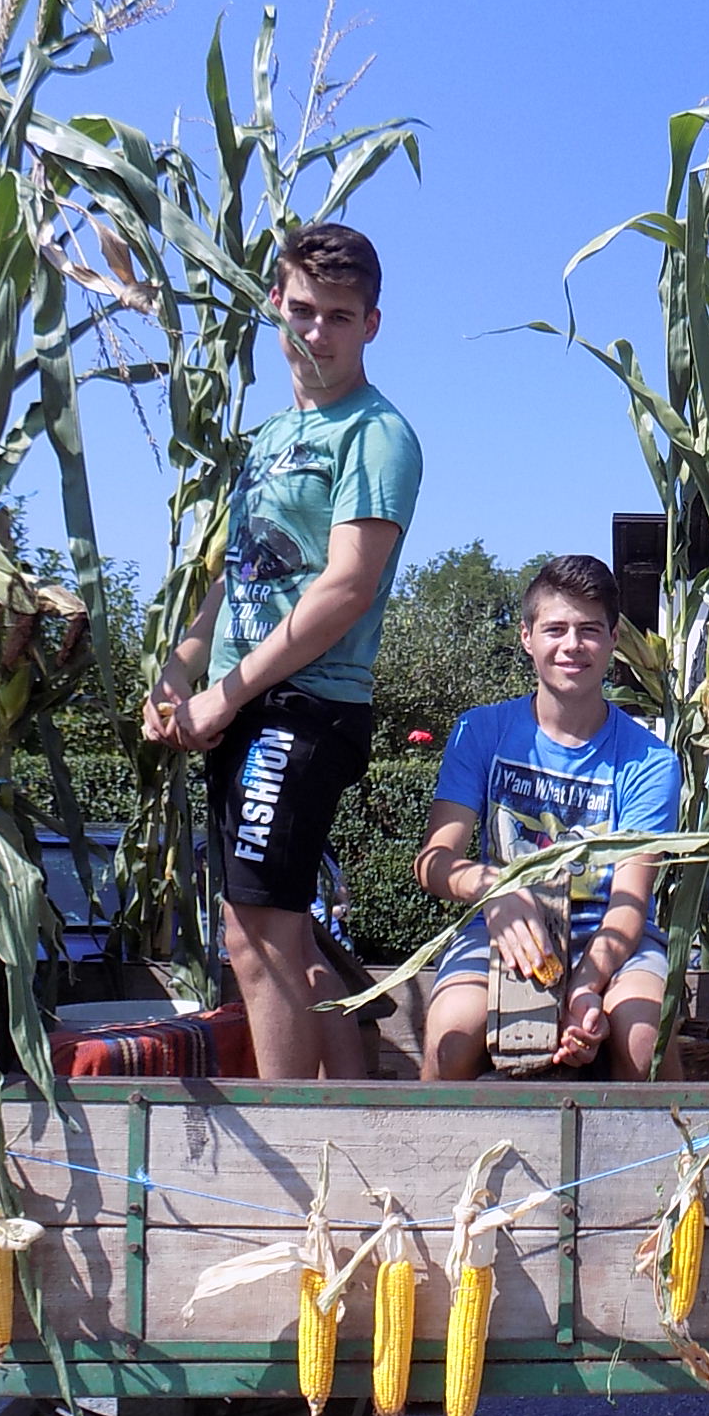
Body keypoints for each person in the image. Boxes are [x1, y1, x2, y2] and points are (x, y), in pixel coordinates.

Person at [142, 222, 421, 1079]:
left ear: (372, 323)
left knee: (254, 936)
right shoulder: (266, 442)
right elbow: (238, 578)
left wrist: (225, 694)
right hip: (248, 702)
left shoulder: (375, 435)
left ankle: (298, 1161)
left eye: (340, 316)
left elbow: (344, 588)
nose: (317, 333)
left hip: (307, 705)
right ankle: (349, 1125)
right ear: (275, 304)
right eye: (303, 310)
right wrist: (180, 669)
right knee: (275, 932)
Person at [414, 556, 682, 1080]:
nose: (571, 645)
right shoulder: (481, 732)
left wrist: (583, 988)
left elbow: (629, 910)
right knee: (451, 1030)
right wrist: (495, 889)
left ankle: (661, 1160)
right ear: (527, 637)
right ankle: (437, 1158)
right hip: (504, 928)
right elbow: (433, 862)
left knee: (644, 1037)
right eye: (555, 629)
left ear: (613, 639)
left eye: (589, 630)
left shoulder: (651, 762)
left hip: (609, 940)